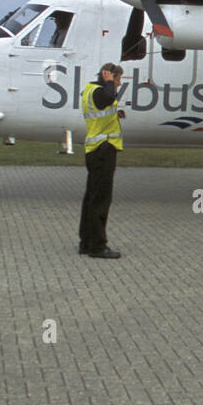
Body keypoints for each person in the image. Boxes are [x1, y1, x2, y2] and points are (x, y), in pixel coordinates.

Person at [78, 63, 125, 259]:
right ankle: (98, 246)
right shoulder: (101, 91)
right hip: (103, 149)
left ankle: (86, 242)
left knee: (91, 197)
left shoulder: (90, 90)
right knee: (101, 200)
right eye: (117, 79)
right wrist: (109, 82)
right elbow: (107, 97)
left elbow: (103, 107)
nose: (119, 83)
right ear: (108, 76)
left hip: (94, 150)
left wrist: (116, 113)